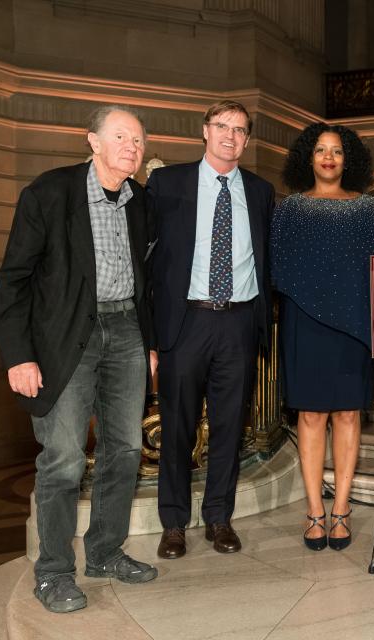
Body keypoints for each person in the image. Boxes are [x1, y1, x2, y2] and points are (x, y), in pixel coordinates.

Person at [0, 105, 158, 613]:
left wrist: (149, 344)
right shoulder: (49, 193)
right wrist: (18, 356)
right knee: (63, 459)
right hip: (66, 338)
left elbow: (147, 282)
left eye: (138, 139)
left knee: (126, 449)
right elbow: (13, 280)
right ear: (93, 141)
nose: (132, 146)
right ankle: (53, 573)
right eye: (121, 136)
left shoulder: (141, 202)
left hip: (126, 331)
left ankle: (106, 552)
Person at [148, 100, 275, 559]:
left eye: (240, 130)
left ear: (247, 139)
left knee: (228, 428)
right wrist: (151, 338)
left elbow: (267, 258)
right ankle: (174, 523)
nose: (231, 136)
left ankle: (219, 518)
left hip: (239, 322)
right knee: (177, 427)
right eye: (222, 126)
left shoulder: (261, 191)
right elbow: (148, 263)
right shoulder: (167, 183)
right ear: (205, 130)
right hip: (186, 321)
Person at [271, 123, 374, 551]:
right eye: (320, 150)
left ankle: (340, 511)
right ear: (308, 157)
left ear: (348, 159)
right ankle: (313, 513)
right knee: (310, 416)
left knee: (346, 415)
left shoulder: (367, 208)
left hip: (354, 324)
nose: (328, 157)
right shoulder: (290, 208)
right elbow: (277, 266)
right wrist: (315, 294)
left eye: (337, 151)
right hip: (305, 323)